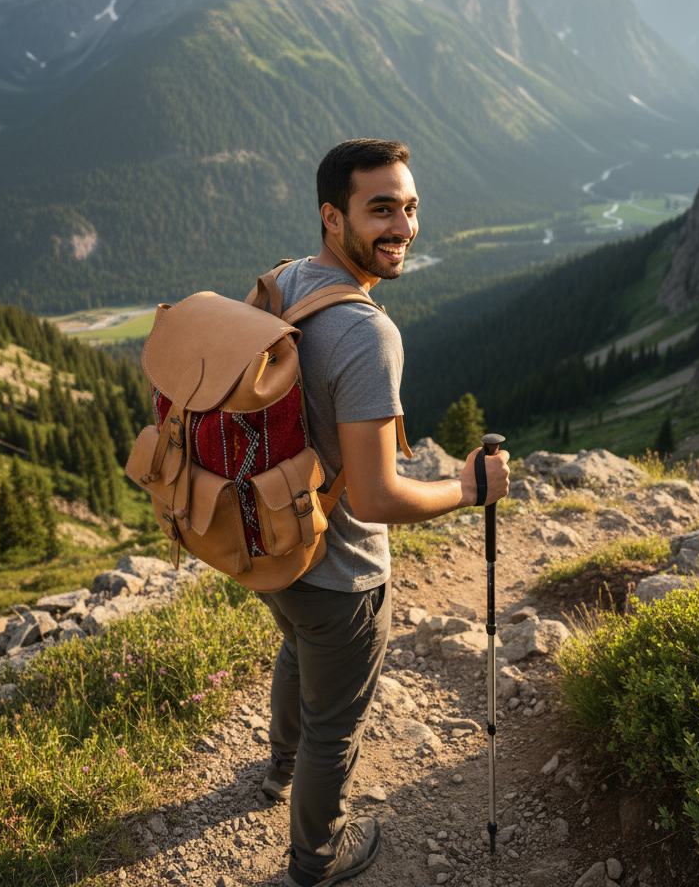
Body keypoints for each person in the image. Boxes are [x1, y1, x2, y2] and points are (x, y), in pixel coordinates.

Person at [256, 138, 510, 887]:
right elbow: (375, 498)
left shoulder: (287, 280)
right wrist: (470, 489)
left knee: (298, 649)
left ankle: (275, 772)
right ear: (333, 218)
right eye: (381, 210)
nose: (402, 225)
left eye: (410, 207)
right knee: (335, 726)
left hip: (275, 546)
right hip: (342, 574)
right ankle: (317, 858)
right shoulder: (366, 332)